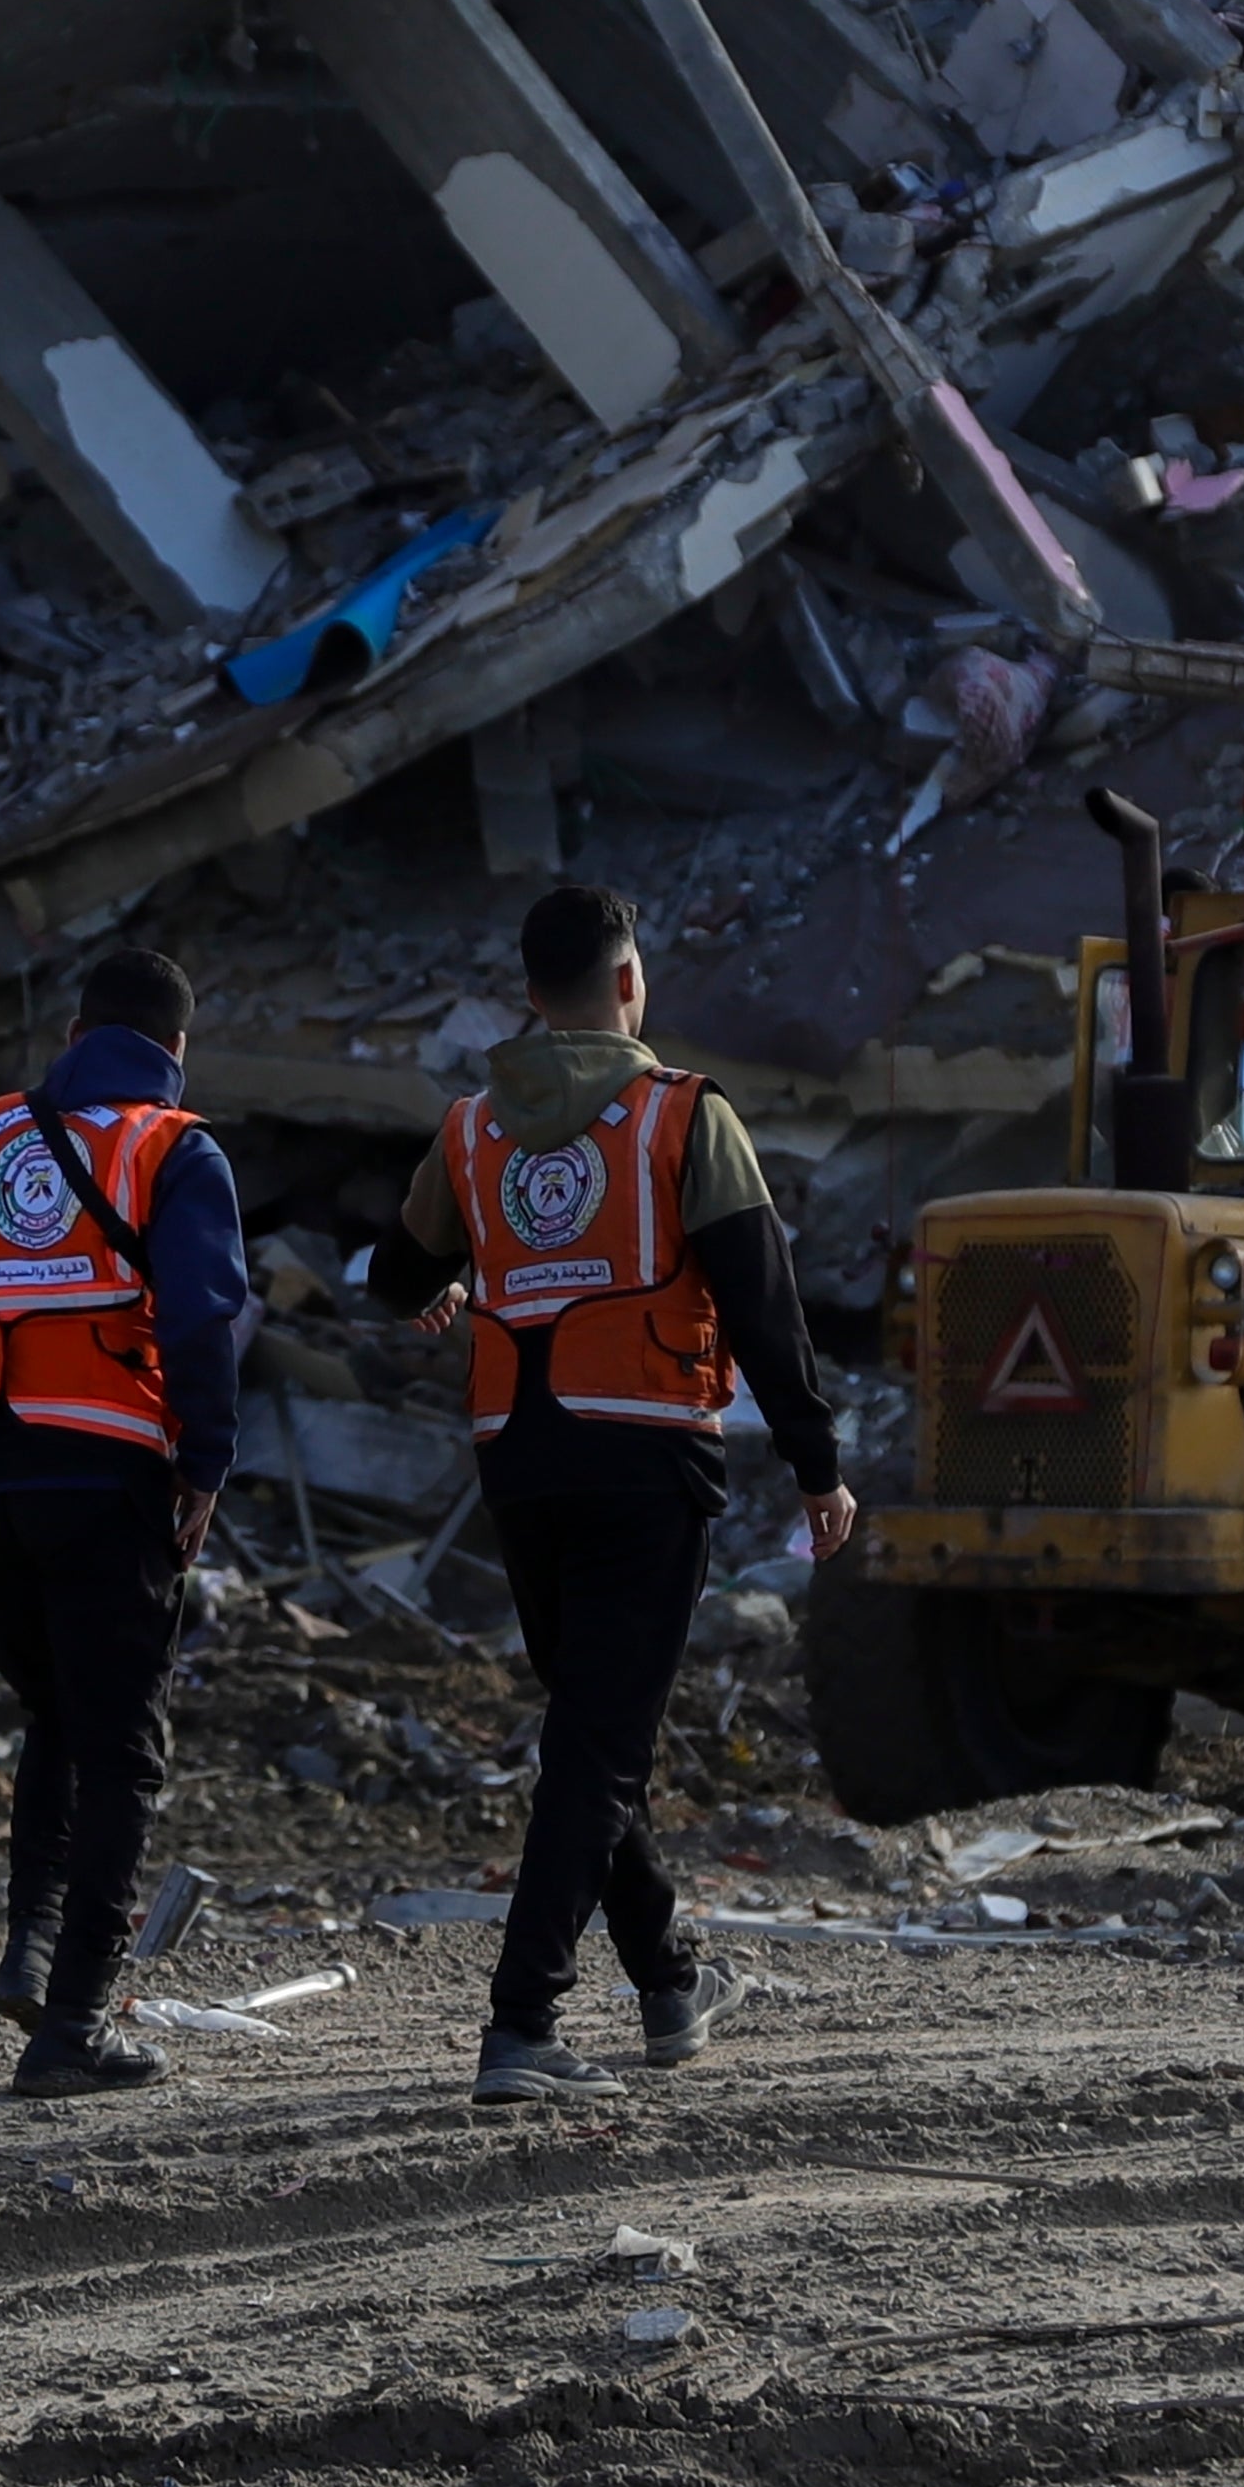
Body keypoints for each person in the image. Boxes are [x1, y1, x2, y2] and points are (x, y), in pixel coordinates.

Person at [393, 881, 851, 2105]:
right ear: (631, 980)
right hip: (644, 1456)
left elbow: (396, 1269)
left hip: (520, 1461)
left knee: (598, 1731)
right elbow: (761, 1301)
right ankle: (522, 2022)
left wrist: (446, 1286)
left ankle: (669, 1982)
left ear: (530, 994)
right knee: (599, 1743)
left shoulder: (471, 1129)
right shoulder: (683, 1113)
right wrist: (816, 1463)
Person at [0, 943, 248, 2098]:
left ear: (76, 1032)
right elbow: (200, 1322)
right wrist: (204, 1465)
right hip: (103, 1479)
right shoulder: (174, 1147)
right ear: (176, 1049)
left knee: (57, 1711)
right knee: (124, 1747)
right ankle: (77, 2023)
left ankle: (34, 1950)